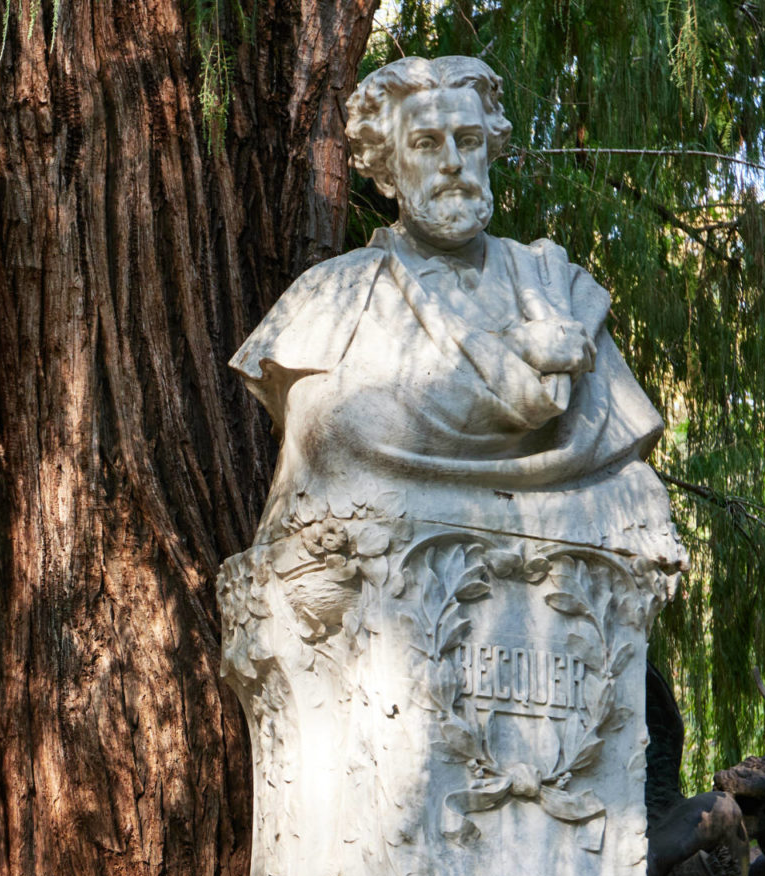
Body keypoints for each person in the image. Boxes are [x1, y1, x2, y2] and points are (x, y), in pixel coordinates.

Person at [232, 55, 667, 548]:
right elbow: (332, 428)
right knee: (334, 415)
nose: (453, 162)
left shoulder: (558, 287)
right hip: (374, 545)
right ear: (387, 170)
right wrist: (515, 351)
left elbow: (614, 427)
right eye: (426, 144)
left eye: (469, 140)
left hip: (557, 529)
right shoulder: (331, 293)